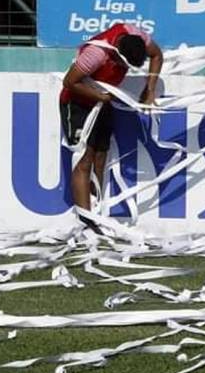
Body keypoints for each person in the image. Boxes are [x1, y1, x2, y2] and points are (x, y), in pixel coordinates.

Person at [60, 23, 163, 232]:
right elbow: (70, 82)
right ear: (116, 53)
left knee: (100, 156)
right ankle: (85, 221)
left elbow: (157, 55)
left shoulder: (137, 36)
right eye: (121, 63)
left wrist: (149, 89)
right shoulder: (96, 54)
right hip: (78, 103)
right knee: (84, 159)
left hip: (103, 102)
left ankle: (96, 212)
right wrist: (100, 96)